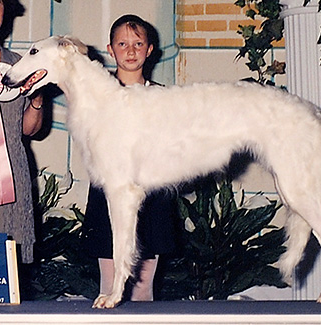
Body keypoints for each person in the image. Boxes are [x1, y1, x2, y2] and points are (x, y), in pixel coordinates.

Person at [82, 14, 177, 301]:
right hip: (109, 199)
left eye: (138, 44)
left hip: (152, 202)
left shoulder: (164, 98)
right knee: (111, 286)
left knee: (142, 286)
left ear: (150, 50)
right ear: (110, 50)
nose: (131, 51)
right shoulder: (96, 96)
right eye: (122, 44)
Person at [0, 0, 44, 264]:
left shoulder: (18, 63)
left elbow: (29, 129)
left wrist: (37, 97)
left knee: (6, 271)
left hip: (11, 174)